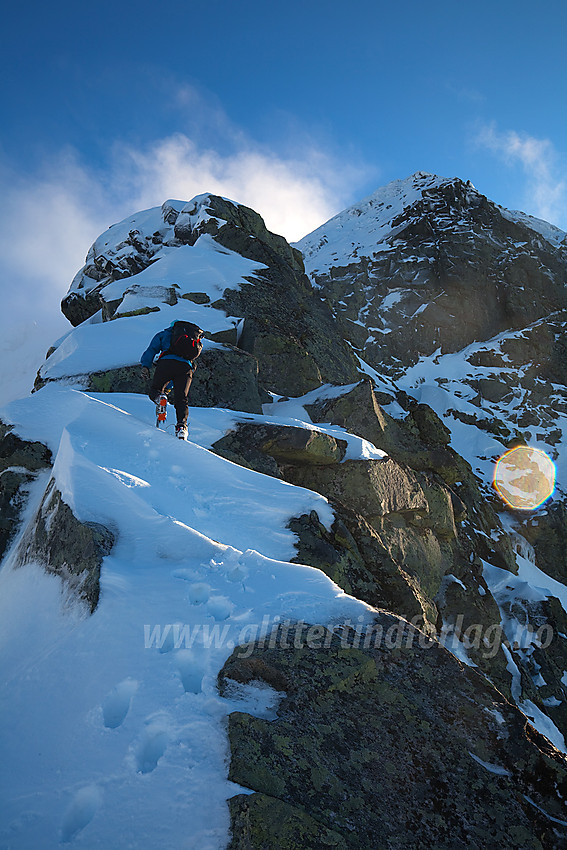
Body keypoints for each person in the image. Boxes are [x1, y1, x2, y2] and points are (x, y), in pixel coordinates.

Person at [140, 321, 203, 440]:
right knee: (181, 398)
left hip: (166, 364)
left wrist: (145, 366)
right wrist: (169, 388)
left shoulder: (165, 334)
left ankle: (159, 398)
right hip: (185, 367)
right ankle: (181, 427)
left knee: (155, 390)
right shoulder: (192, 339)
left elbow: (152, 349)